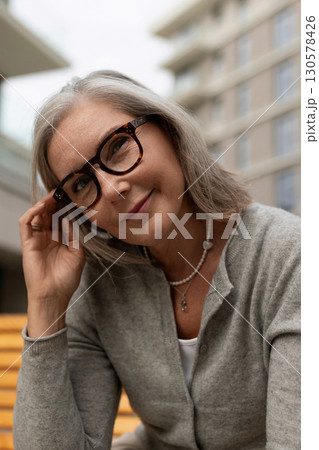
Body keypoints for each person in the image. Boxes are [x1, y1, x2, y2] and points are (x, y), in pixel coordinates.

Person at [13, 70, 300, 449]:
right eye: (81, 184)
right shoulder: (99, 286)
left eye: (118, 146)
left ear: (169, 129)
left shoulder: (288, 256)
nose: (113, 189)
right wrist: (47, 304)